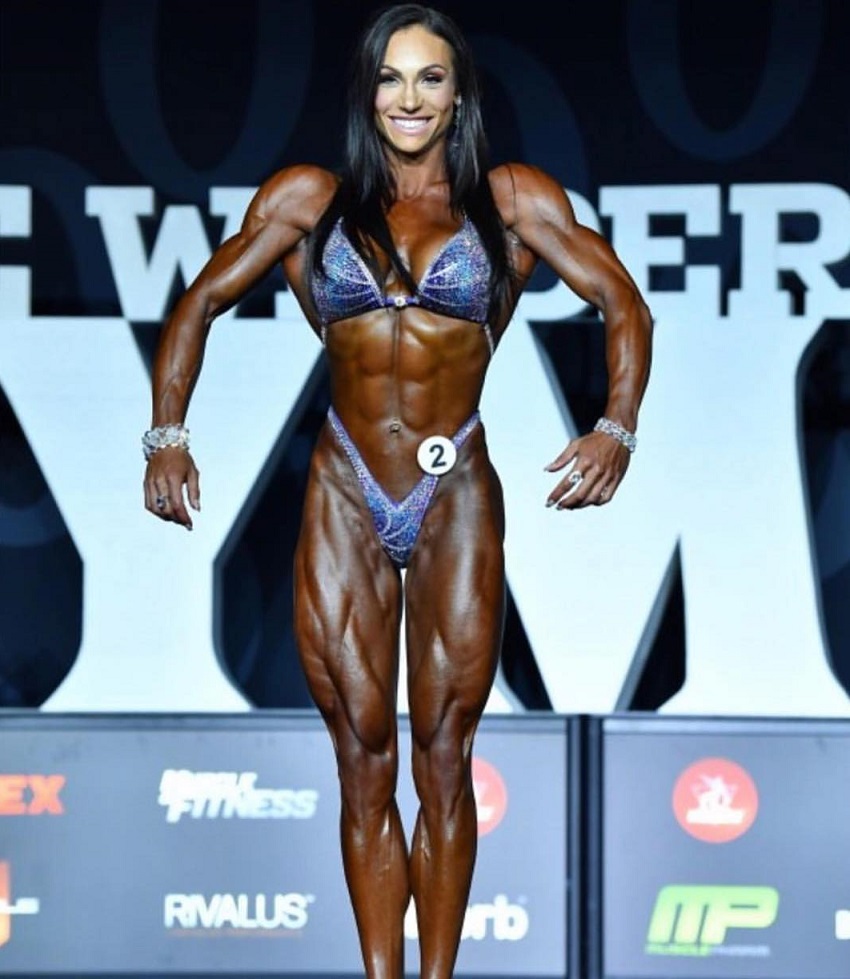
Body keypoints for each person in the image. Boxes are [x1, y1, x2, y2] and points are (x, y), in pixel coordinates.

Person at [142, 4, 652, 977]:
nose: (409, 97)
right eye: (391, 78)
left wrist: (614, 428)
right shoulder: (307, 199)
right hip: (345, 488)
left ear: (458, 94)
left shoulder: (507, 199)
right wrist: (166, 435)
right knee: (364, 752)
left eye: (429, 78)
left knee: (446, 756)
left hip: (455, 489)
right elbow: (202, 299)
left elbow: (622, 302)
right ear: (367, 92)